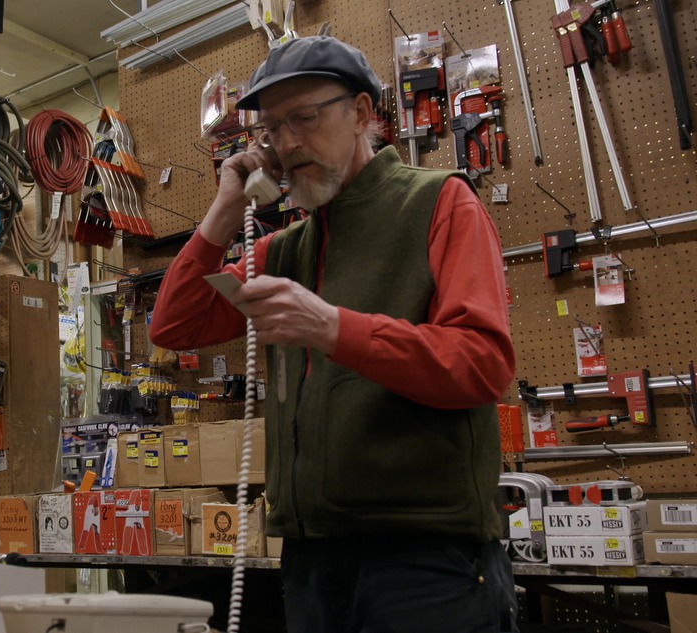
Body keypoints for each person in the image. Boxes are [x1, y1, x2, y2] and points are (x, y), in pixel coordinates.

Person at [149, 36, 518, 633]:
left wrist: (332, 328)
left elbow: (482, 363)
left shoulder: (440, 203)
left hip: (425, 559)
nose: (288, 144)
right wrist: (221, 213)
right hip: (313, 560)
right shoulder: (286, 247)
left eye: (304, 118)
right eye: (271, 128)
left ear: (362, 114)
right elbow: (175, 324)